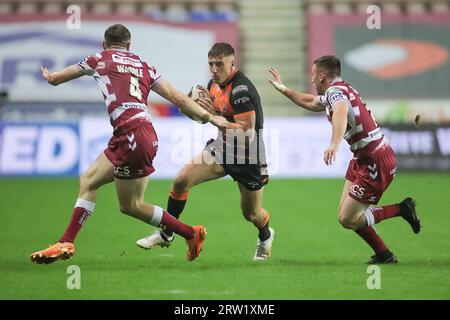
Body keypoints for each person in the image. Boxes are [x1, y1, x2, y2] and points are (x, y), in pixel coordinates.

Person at [30, 24, 228, 264]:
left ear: (105, 44)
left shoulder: (99, 59)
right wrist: (209, 117)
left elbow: (56, 80)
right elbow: (177, 98)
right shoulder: (144, 65)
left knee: (131, 206)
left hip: (130, 135)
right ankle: (67, 241)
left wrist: (50, 76)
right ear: (129, 45)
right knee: (89, 180)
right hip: (142, 132)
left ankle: (190, 233)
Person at [268, 55, 421, 264]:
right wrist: (284, 89)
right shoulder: (342, 89)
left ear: (322, 76)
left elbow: (340, 111)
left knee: (348, 219)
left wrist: (334, 143)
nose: (312, 81)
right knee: (347, 215)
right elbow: (311, 102)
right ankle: (384, 255)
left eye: (313, 76)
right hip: (364, 157)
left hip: (375, 161)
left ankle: (401, 209)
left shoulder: (335, 93)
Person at [136, 43, 275, 261]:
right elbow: (207, 118)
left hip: (249, 156)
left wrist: (217, 120)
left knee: (251, 214)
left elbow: (247, 132)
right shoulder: (213, 85)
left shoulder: (241, 91)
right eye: (211, 64)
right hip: (222, 148)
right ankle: (167, 232)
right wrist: (192, 110)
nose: (214, 69)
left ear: (232, 64)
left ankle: (266, 235)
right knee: (181, 180)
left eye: (220, 64)